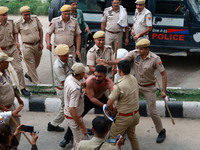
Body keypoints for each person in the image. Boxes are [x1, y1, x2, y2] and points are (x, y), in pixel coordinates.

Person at [97, 39, 167, 143]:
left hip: (149, 87)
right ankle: (124, 129)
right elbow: (122, 61)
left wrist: (164, 91)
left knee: (152, 111)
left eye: (141, 49)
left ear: (147, 49)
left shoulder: (155, 59)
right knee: (125, 106)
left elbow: (163, 74)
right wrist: (108, 62)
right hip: (136, 85)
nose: (138, 50)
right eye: (138, 48)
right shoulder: (135, 54)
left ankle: (161, 131)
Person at [59, 65, 114, 148]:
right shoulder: (89, 81)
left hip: (101, 98)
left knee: (112, 115)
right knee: (76, 119)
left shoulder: (109, 82)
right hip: (88, 99)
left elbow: (114, 95)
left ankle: (108, 136)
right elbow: (91, 98)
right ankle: (66, 138)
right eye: (95, 75)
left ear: (105, 76)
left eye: (100, 76)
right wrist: (105, 106)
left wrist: (112, 107)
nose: (96, 78)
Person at [107, 60, 140, 150]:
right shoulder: (134, 79)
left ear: (119, 71)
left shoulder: (119, 86)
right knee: (132, 136)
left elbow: (109, 103)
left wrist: (112, 110)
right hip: (135, 115)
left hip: (124, 118)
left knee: (113, 139)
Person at [0, 6, 30, 96]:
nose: (6, 17)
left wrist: (16, 42)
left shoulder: (11, 22)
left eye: (6, 14)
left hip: (12, 48)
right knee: (4, 72)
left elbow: (15, 32)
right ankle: (8, 88)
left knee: (19, 69)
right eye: (3, 15)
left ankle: (22, 88)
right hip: (2, 51)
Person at [47, 44, 74, 132]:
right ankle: (53, 124)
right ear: (59, 56)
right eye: (64, 56)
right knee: (66, 107)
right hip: (63, 89)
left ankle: (74, 119)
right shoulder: (57, 66)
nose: (66, 57)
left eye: (67, 55)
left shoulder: (69, 58)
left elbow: (75, 67)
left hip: (70, 85)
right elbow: (65, 82)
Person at [15, 6, 43, 84]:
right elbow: (15, 34)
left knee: (36, 63)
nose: (27, 16)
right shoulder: (18, 23)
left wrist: (41, 43)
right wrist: (17, 45)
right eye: (25, 15)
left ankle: (28, 74)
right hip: (27, 47)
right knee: (31, 65)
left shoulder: (35, 19)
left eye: (29, 14)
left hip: (37, 45)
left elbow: (40, 30)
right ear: (21, 14)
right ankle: (37, 82)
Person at [0, 52, 25, 142]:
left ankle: (14, 147)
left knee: (16, 129)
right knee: (4, 134)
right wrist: (9, 112)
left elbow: (11, 86)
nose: (8, 63)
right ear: (1, 63)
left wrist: (18, 98)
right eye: (6, 62)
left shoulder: (5, 71)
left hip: (12, 106)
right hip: (3, 111)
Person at [64, 63, 89, 150]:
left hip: (69, 115)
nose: (85, 74)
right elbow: (72, 110)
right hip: (73, 117)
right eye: (84, 73)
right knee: (80, 143)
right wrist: (82, 126)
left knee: (77, 138)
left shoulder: (69, 78)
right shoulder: (75, 89)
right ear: (81, 74)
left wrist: (82, 85)